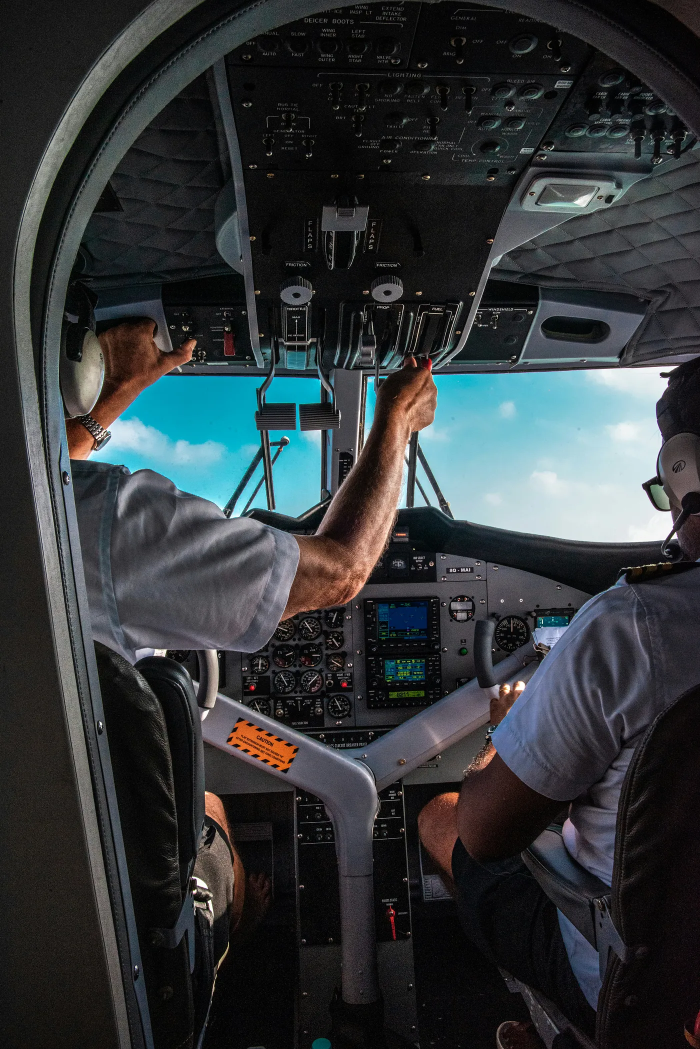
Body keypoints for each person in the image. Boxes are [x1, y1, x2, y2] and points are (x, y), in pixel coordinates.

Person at [66, 317, 437, 978]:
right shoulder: (107, 524)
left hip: (61, 861)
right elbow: (342, 570)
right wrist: (397, 420)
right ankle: (239, 912)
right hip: (119, 888)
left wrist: (110, 400)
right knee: (208, 805)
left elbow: (42, 484)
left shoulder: (56, 521)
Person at [418, 356, 700, 1045]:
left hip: (641, 990)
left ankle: (562, 1021)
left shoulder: (633, 625)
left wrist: (503, 737)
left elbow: (487, 836)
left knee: (443, 816)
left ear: (684, 472)